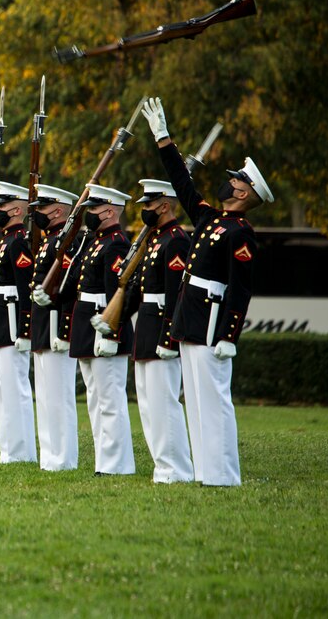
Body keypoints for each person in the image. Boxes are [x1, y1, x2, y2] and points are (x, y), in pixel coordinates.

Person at [143, 96, 274, 487]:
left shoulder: (240, 232)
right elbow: (183, 186)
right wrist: (164, 139)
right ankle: (206, 472)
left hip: (212, 321)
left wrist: (229, 335)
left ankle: (223, 475)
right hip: (192, 315)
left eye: (236, 179)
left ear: (246, 193)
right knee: (196, 401)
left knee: (213, 400)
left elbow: (241, 289)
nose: (228, 179)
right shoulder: (212, 218)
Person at [100, 179, 194, 482]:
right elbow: (139, 289)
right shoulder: (155, 240)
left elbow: (174, 294)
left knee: (164, 402)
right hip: (147, 328)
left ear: (165, 206)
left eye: (150, 205)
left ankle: (175, 470)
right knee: (149, 405)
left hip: (161, 332)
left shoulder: (176, 240)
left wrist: (169, 338)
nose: (145, 210)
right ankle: (162, 466)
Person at [53, 184, 136, 476]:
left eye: (95, 210)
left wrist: (112, 334)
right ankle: (105, 460)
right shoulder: (96, 241)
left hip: (103, 323)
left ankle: (117, 464)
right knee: (95, 399)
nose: (90, 215)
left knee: (110, 398)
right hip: (88, 321)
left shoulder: (116, 243)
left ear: (110, 212)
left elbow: (118, 294)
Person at [27, 184, 81, 470]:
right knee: (46, 397)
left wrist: (64, 330)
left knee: (59, 397)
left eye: (43, 209)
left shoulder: (67, 241)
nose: (37, 214)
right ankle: (49, 456)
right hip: (42, 327)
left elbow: (70, 289)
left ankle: (64, 458)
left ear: (58, 210)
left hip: (56, 328)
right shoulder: (50, 241)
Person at [0, 181, 36, 464]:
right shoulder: (7, 240)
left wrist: (26, 328)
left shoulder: (19, 242)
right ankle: (8, 450)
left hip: (13, 319)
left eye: (1, 206)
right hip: (0, 317)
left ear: (16, 210)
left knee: (14, 388)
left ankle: (20, 451)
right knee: (0, 389)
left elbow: (26, 288)